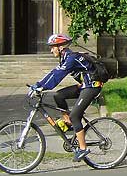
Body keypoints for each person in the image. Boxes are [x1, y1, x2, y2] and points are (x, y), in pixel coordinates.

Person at [30, 33, 103, 162]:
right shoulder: (65, 58)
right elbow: (53, 72)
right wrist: (38, 84)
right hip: (84, 86)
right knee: (59, 96)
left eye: (53, 47)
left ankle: (83, 148)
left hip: (92, 87)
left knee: (75, 115)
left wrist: (43, 88)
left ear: (61, 47)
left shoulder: (71, 59)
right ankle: (68, 122)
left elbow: (58, 75)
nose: (51, 49)